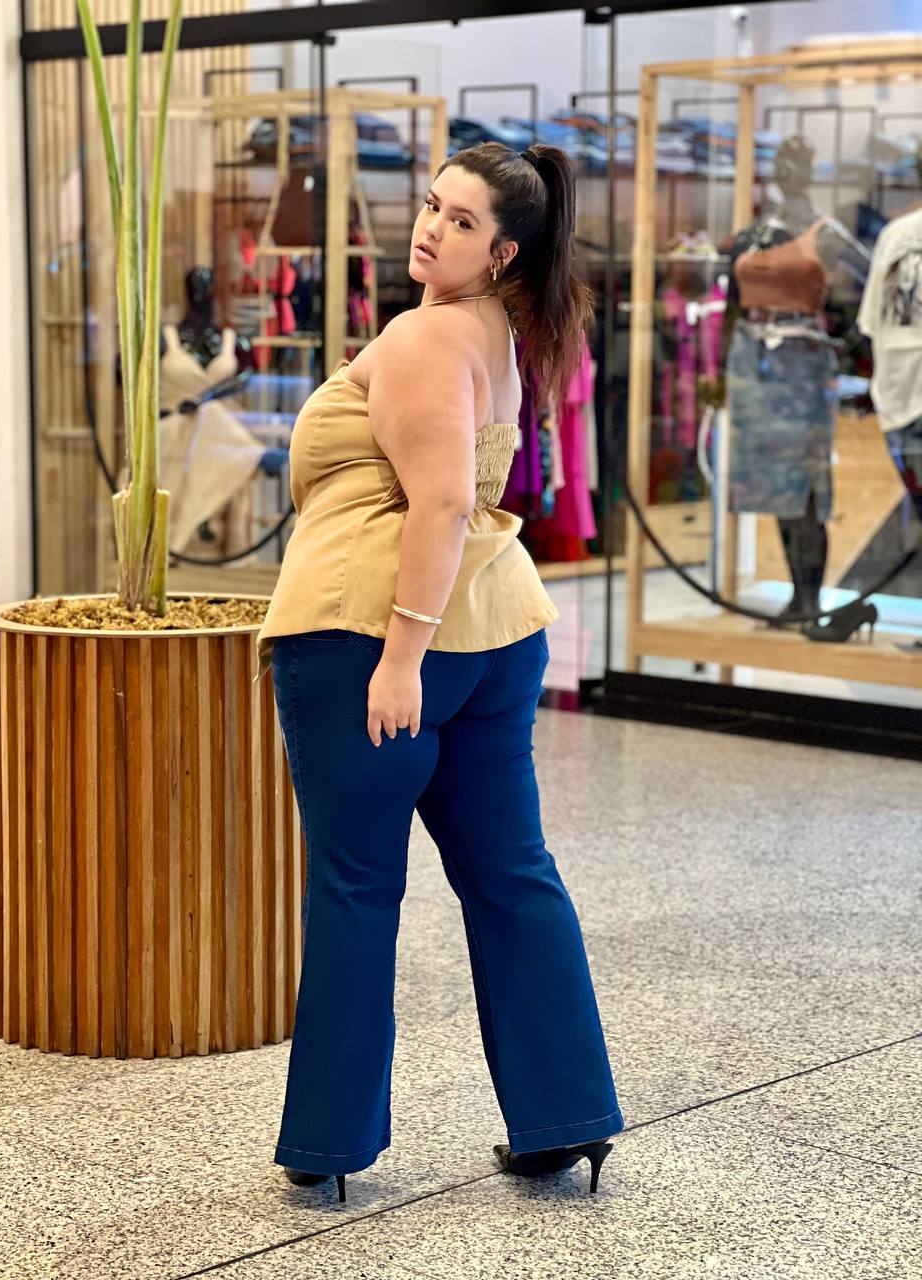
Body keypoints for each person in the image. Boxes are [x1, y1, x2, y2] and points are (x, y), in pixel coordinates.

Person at [254, 142, 625, 1205]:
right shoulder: (505, 330)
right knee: (512, 871)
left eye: (462, 222)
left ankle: (328, 1142)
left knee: (356, 884)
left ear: (503, 250)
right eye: (431, 205)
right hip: (497, 628)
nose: (431, 228)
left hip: (371, 633)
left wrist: (400, 658)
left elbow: (446, 500)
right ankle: (567, 1117)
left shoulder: (424, 336)